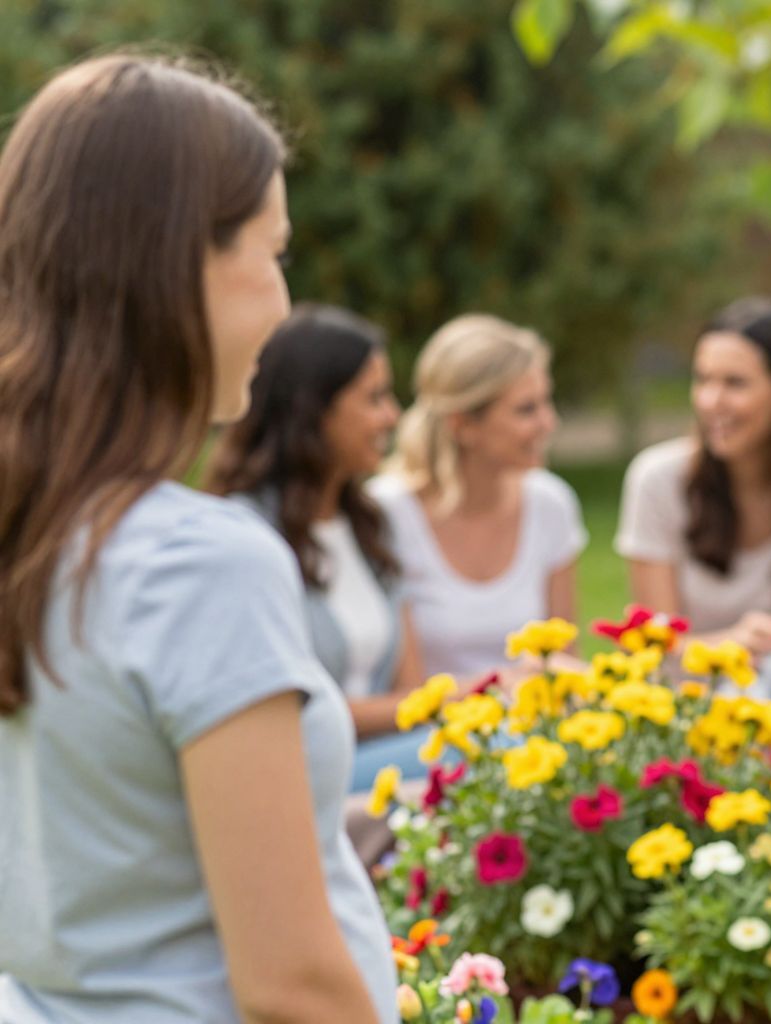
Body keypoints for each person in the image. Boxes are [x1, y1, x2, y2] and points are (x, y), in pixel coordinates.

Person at [0, 56, 395, 1020]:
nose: (280, 302)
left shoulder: (36, 530)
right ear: (180, 265)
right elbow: (290, 987)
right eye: (274, 254)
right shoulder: (195, 562)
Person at [206, 304, 430, 793]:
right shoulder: (245, 535)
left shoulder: (372, 524)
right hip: (304, 775)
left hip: (386, 765)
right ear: (313, 409)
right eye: (374, 398)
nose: (392, 415)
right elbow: (282, 711)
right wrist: (455, 699)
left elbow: (411, 693)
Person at [616, 297, 771, 702]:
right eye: (703, 380)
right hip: (688, 701)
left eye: (734, 383)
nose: (711, 401)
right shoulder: (657, 480)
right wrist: (731, 645)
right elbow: (654, 651)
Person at [372, 313, 586, 681]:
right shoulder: (388, 513)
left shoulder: (551, 504)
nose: (548, 423)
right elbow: (404, 693)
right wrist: (502, 685)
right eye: (526, 410)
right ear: (463, 425)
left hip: (534, 729)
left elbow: (564, 658)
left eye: (545, 403)